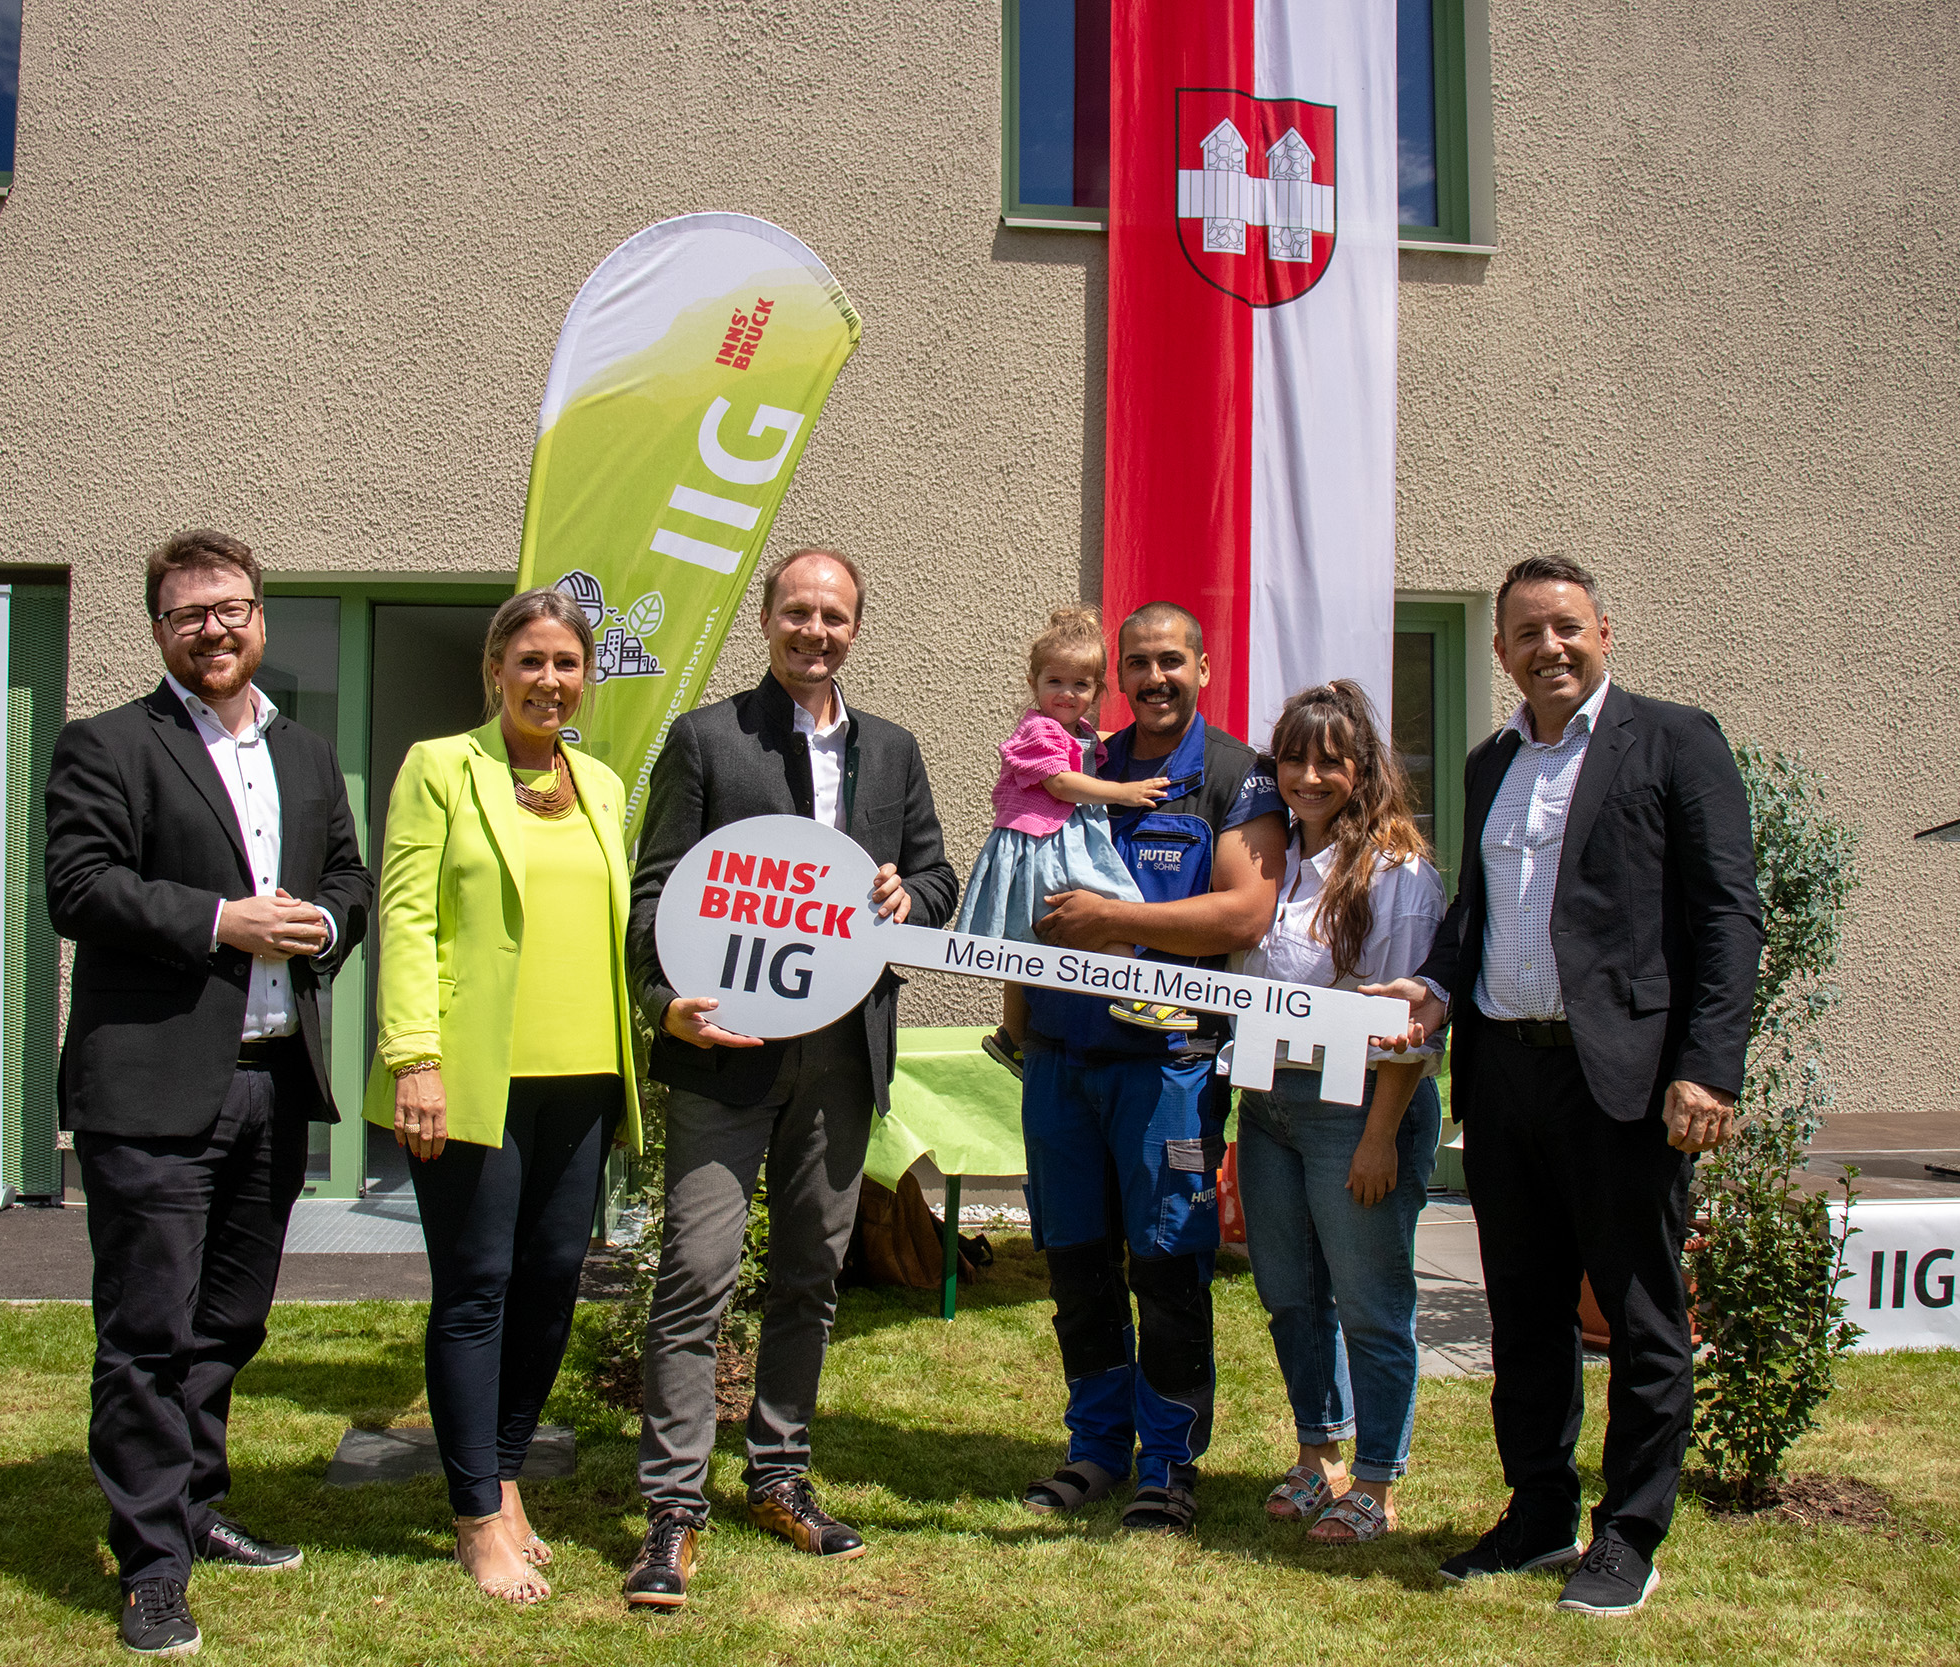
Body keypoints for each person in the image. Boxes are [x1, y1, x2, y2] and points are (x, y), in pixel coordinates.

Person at [1369, 556, 1761, 1616]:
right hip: (1506, 1077)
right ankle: (1538, 1509)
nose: (1547, 647)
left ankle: (1627, 1532)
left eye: (1565, 627)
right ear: (1498, 653)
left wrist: (1705, 1066)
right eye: (1526, 634)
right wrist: (1437, 983)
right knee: (1527, 1310)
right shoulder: (1490, 759)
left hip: (1625, 1083)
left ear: (1604, 631)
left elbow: (1728, 916)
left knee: (1637, 1313)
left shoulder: (1675, 740)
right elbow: (1476, 916)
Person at [45, 529, 373, 1658]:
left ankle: (194, 1500)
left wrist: (325, 924)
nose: (215, 628)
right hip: (150, 1091)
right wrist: (218, 922)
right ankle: (150, 1568)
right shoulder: (105, 745)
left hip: (274, 1082)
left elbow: (349, 881)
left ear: (262, 619)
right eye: (189, 614)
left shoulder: (309, 755)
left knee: (227, 1321)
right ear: (158, 630)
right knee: (145, 1331)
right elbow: (79, 886)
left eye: (231, 607)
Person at [620, 547, 958, 1608]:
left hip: (842, 1056)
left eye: (836, 615)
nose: (816, 631)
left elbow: (941, 877)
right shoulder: (708, 741)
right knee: (696, 1274)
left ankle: (778, 1472)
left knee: (810, 1276)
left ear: (857, 627)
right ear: (768, 619)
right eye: (799, 611)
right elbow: (654, 897)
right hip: (726, 1053)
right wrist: (661, 999)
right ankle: (673, 1508)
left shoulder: (892, 751)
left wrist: (915, 897)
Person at [370, 587, 648, 1605]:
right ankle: (476, 1514)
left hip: (583, 1073)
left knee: (552, 1282)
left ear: (586, 677)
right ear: (494, 670)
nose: (548, 681)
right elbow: (406, 917)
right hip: (472, 1076)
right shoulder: (442, 767)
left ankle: (507, 1469)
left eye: (566, 663)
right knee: (478, 1286)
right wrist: (414, 1059)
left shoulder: (606, 785)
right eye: (528, 660)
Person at [1015, 601, 1284, 1535]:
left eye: (1172, 661)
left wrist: (1114, 921)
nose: (1154, 678)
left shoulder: (1238, 776)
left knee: (1167, 1264)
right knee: (1076, 1259)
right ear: (1117, 674)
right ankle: (1095, 1448)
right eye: (1138, 664)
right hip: (1060, 1059)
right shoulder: (1081, 762)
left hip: (1166, 1066)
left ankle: (1168, 1462)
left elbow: (1246, 912)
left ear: (1203, 667)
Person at [1237, 681, 1447, 1545]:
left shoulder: (1401, 876)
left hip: (1360, 1107)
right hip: (1269, 1106)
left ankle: (1378, 1482)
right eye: (1294, 756)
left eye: (1330, 758)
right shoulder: (1267, 857)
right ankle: (1318, 1452)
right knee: (1291, 1296)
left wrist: (1378, 1139)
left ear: (1363, 768)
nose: (1310, 775)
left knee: (1369, 1302)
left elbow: (1403, 1028)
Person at [957, 604, 1178, 1078]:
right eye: (1055, 681)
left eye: (1080, 685)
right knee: (1113, 906)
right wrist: (1125, 792)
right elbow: (1060, 783)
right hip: (1044, 843)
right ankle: (1133, 994)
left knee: (1026, 943)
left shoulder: (1076, 731)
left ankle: (1012, 1036)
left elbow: (1091, 743)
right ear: (1034, 683)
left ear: (1097, 692)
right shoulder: (1038, 729)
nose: (1066, 693)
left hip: (1052, 839)